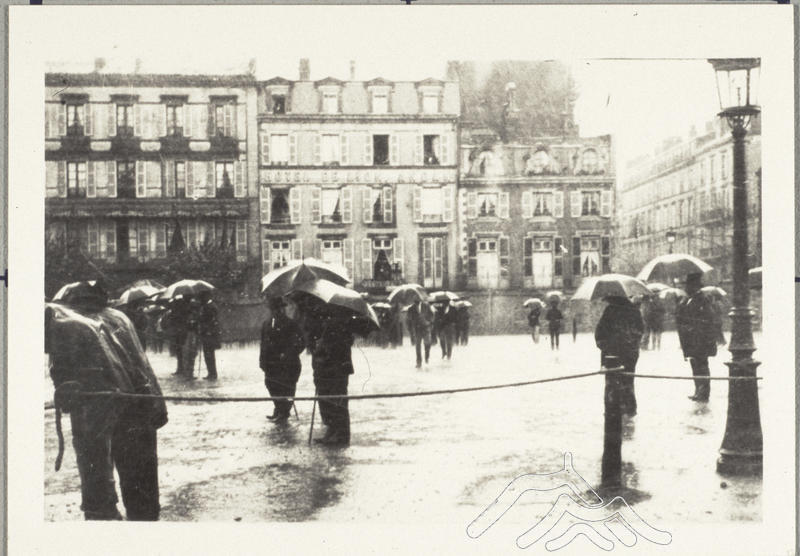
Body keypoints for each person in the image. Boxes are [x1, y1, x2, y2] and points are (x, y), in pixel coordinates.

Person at [45, 281, 167, 520]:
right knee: (141, 481)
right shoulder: (120, 317)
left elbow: (63, 374)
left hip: (97, 408)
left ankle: (102, 517)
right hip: (139, 402)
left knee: (96, 476)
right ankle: (144, 520)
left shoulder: (66, 322)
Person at [594, 295, 645, 416]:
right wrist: (632, 344)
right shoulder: (634, 310)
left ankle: (612, 409)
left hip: (612, 354)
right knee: (628, 380)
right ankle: (629, 408)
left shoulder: (610, 311)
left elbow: (599, 333)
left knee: (612, 382)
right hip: (630, 353)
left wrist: (606, 346)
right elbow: (640, 331)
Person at [260, 297, 305, 423]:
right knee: (271, 385)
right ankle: (278, 408)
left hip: (288, 364)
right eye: (274, 309)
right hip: (271, 364)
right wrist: (262, 360)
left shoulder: (291, 324)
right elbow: (263, 344)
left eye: (279, 309)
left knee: (287, 388)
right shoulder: (266, 324)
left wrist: (288, 354)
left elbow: (301, 342)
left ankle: (284, 412)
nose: (277, 311)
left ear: (282, 309)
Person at [676, 273, 718, 402]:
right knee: (695, 365)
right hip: (692, 341)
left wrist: (693, 328)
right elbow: (681, 316)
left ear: (694, 286)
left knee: (702, 366)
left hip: (700, 341)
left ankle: (704, 393)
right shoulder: (688, 300)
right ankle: (698, 390)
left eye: (688, 286)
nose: (686, 288)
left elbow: (708, 319)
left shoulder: (702, 300)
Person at [197, 290, 222, 380]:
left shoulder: (210, 307)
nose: (201, 299)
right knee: (208, 354)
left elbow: (211, 321)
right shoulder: (208, 306)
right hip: (207, 334)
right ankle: (211, 373)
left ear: (206, 297)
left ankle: (213, 373)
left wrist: (205, 328)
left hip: (209, 334)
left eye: (202, 297)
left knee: (209, 354)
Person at [164, 296, 192, 376]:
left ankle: (182, 369)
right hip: (178, 333)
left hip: (181, 333)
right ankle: (181, 368)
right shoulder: (176, 311)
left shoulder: (181, 310)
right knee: (179, 351)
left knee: (181, 351)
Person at [407, 299, 435, 368]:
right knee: (418, 346)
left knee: (427, 343)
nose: (416, 299)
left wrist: (429, 322)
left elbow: (432, 315)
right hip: (417, 330)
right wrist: (411, 328)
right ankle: (418, 362)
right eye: (414, 298)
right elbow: (409, 319)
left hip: (426, 328)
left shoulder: (426, 306)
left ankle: (427, 356)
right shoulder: (411, 308)